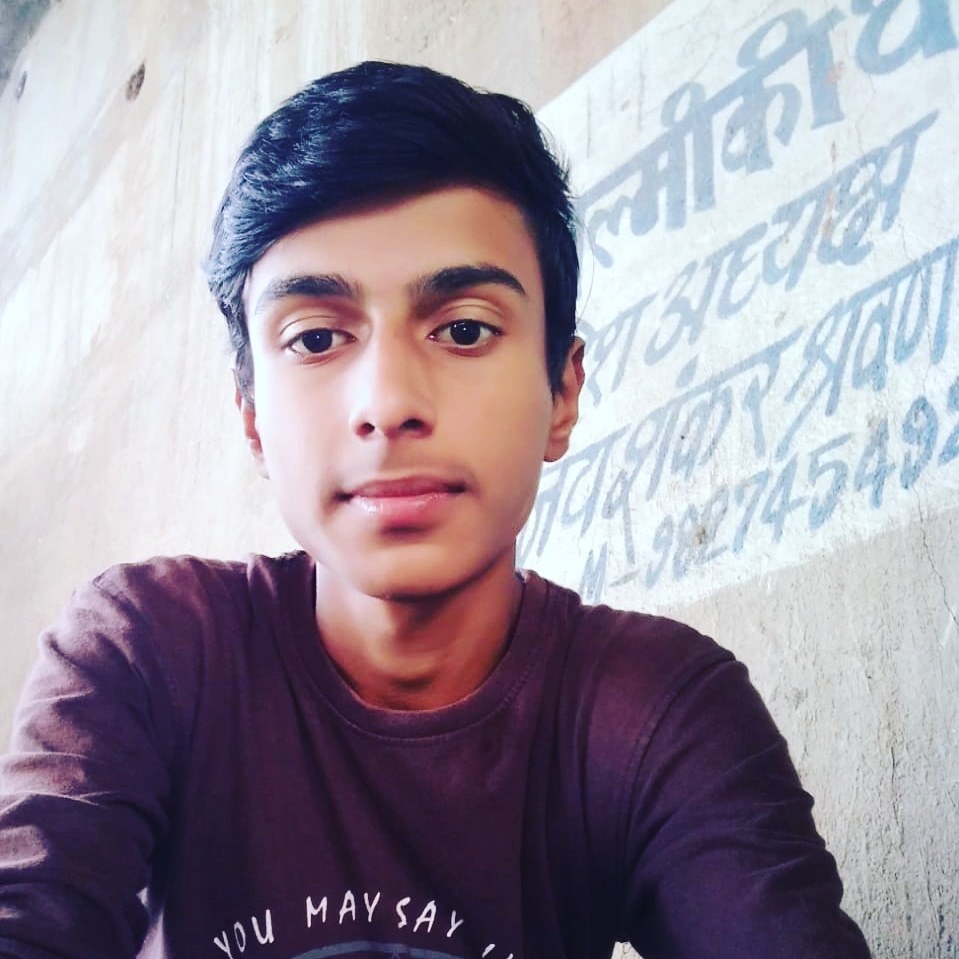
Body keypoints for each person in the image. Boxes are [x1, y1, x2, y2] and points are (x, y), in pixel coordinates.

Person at [0, 61, 872, 959]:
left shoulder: (657, 711)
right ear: (253, 418)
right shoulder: (147, 648)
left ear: (561, 394)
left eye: (462, 329)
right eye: (314, 337)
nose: (388, 403)